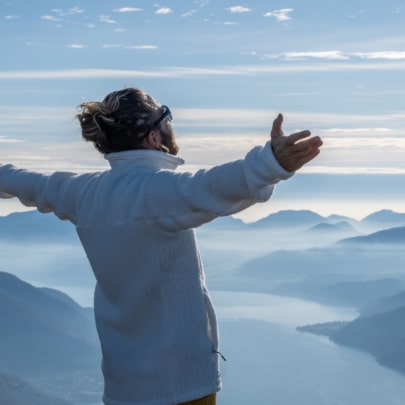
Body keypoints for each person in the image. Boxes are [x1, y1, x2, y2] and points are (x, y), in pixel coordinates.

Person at [0, 87, 323, 405]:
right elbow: (209, 185)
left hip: (122, 386)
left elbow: (25, 181)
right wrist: (271, 164)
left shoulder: (81, 192)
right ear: (154, 137)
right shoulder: (153, 190)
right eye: (166, 116)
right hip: (179, 387)